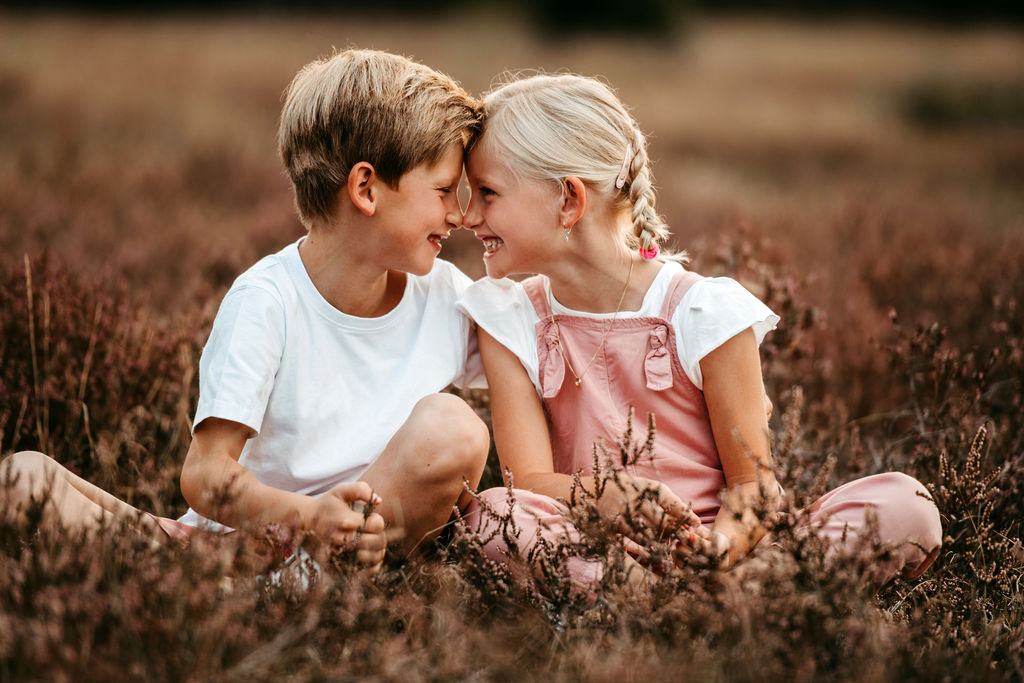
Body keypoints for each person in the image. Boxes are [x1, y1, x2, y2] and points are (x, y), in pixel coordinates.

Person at [1, 48, 491, 572]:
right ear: (365, 189)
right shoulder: (267, 301)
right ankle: (252, 588)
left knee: (454, 429)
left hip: (347, 549)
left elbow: (541, 374)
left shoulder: (447, 299)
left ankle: (299, 582)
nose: (459, 214)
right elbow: (205, 473)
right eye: (444, 190)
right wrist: (309, 517)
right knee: (21, 477)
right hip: (227, 551)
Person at [456, 73, 942, 584]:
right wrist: (603, 495)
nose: (467, 216)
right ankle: (686, 597)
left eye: (487, 193)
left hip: (725, 552)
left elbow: (753, 487)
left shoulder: (702, 312)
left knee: (907, 503)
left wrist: (719, 550)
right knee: (493, 516)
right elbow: (528, 483)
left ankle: (718, 589)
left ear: (569, 201)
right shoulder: (511, 318)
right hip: (598, 548)